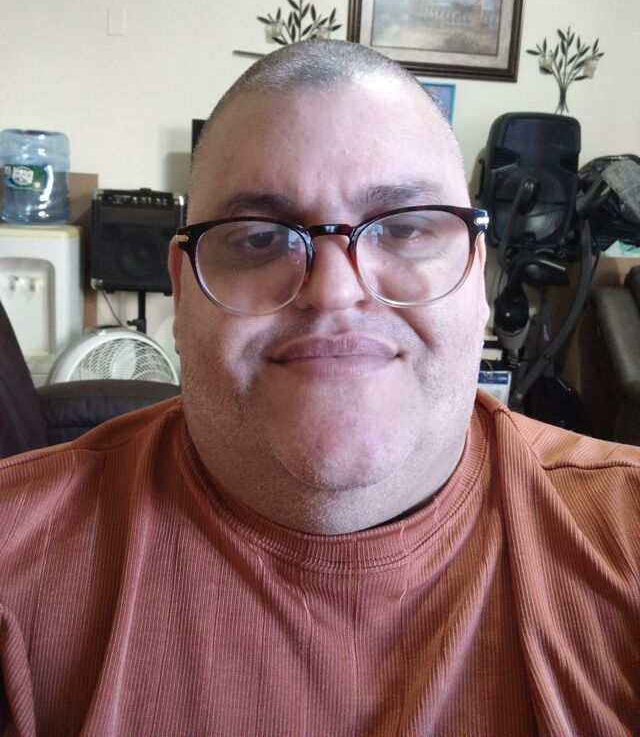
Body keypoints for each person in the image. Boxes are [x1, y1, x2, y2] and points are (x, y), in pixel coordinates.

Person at [0, 40, 638, 736]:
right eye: (259, 238)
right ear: (182, 293)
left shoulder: (625, 538)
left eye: (403, 228)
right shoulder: (15, 565)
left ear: (477, 275)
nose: (334, 291)